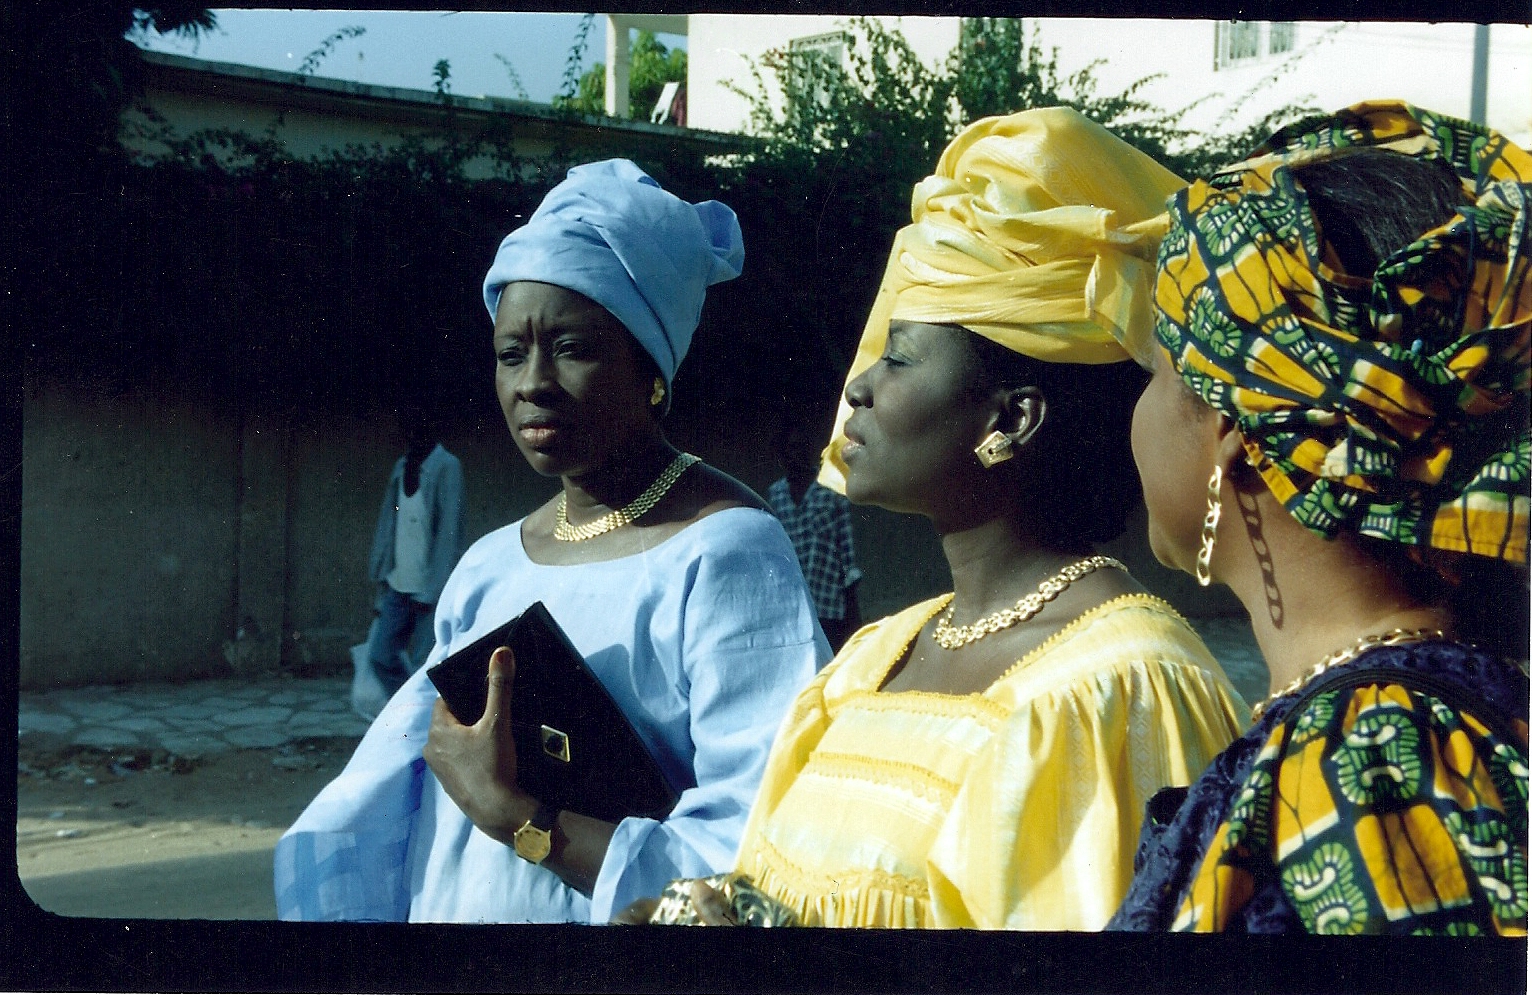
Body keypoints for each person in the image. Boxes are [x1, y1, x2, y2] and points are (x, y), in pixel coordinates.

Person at [628, 109, 1249, 930]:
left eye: (900, 356)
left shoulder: (1121, 689)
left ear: (1012, 420)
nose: (858, 386)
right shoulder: (866, 663)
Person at [274, 159, 830, 924]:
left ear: (652, 368)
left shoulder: (725, 550)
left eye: (571, 347)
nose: (532, 381)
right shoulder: (489, 563)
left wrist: (524, 823)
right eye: (511, 353)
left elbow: (755, 844)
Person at [1108, 101, 1530, 935]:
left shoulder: (1374, 759)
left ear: (1232, 426)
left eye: (1159, 367)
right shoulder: (1402, 720)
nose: (1140, 406)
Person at [351, 404, 465, 720]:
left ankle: (420, 724)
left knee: (425, 666)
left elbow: (448, 534)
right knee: (380, 656)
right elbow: (389, 526)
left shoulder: (447, 467)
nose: (411, 435)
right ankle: (408, 714)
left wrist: (437, 590)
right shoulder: (402, 467)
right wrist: (381, 575)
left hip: (430, 588)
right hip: (398, 584)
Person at [767, 415, 863, 651]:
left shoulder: (831, 489)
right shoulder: (776, 495)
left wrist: (852, 612)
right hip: (793, 604)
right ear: (782, 456)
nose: (797, 455)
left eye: (802, 448)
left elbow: (846, 553)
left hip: (829, 603)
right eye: (791, 449)